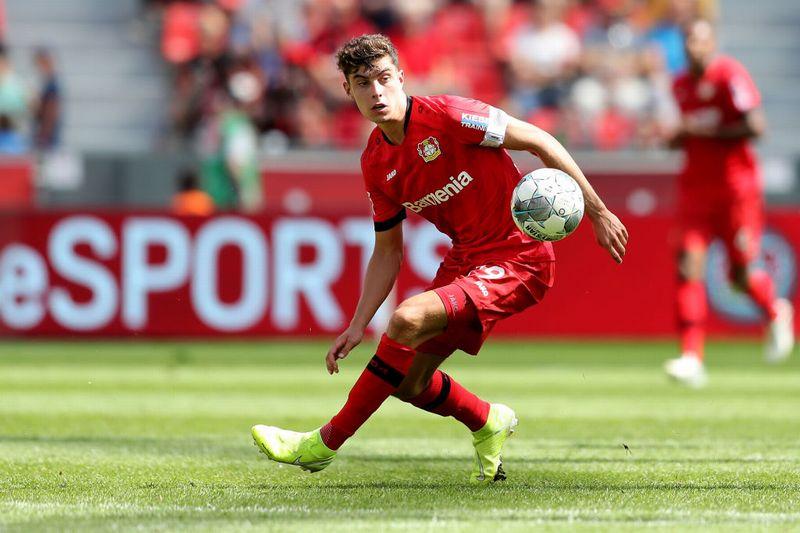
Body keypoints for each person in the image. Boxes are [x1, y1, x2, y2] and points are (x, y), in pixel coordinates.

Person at [251, 34, 627, 482]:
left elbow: (540, 141)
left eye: (384, 78)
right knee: (407, 381)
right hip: (466, 260)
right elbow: (388, 250)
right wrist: (357, 324)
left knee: (407, 319)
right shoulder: (375, 163)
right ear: (348, 90)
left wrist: (598, 212)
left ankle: (322, 444)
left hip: (519, 257)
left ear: (401, 77)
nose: (376, 92)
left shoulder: (449, 116)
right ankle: (487, 420)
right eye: (363, 83)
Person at [663, 20, 794, 388]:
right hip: (695, 189)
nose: (695, 47)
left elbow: (756, 127)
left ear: (712, 44)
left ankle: (774, 310)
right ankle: (691, 357)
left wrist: (702, 131)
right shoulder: (679, 84)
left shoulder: (729, 75)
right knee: (688, 265)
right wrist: (675, 137)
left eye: (701, 40)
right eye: (690, 40)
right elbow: (685, 135)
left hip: (736, 190)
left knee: (739, 274)